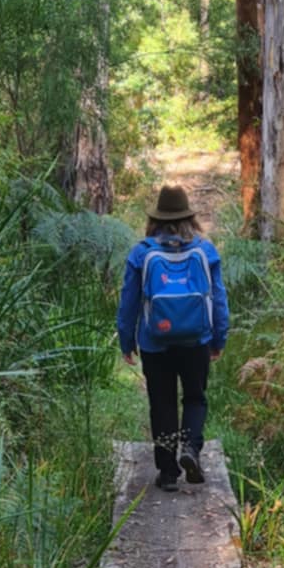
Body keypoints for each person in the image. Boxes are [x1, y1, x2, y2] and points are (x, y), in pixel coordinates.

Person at [116, 184, 230, 490]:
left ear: (156, 218)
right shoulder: (205, 250)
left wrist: (126, 341)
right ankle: (190, 448)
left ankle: (168, 473)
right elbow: (218, 298)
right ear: (189, 217)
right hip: (197, 340)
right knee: (195, 397)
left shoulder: (142, 252)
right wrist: (219, 338)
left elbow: (128, 301)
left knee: (162, 403)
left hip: (155, 343)